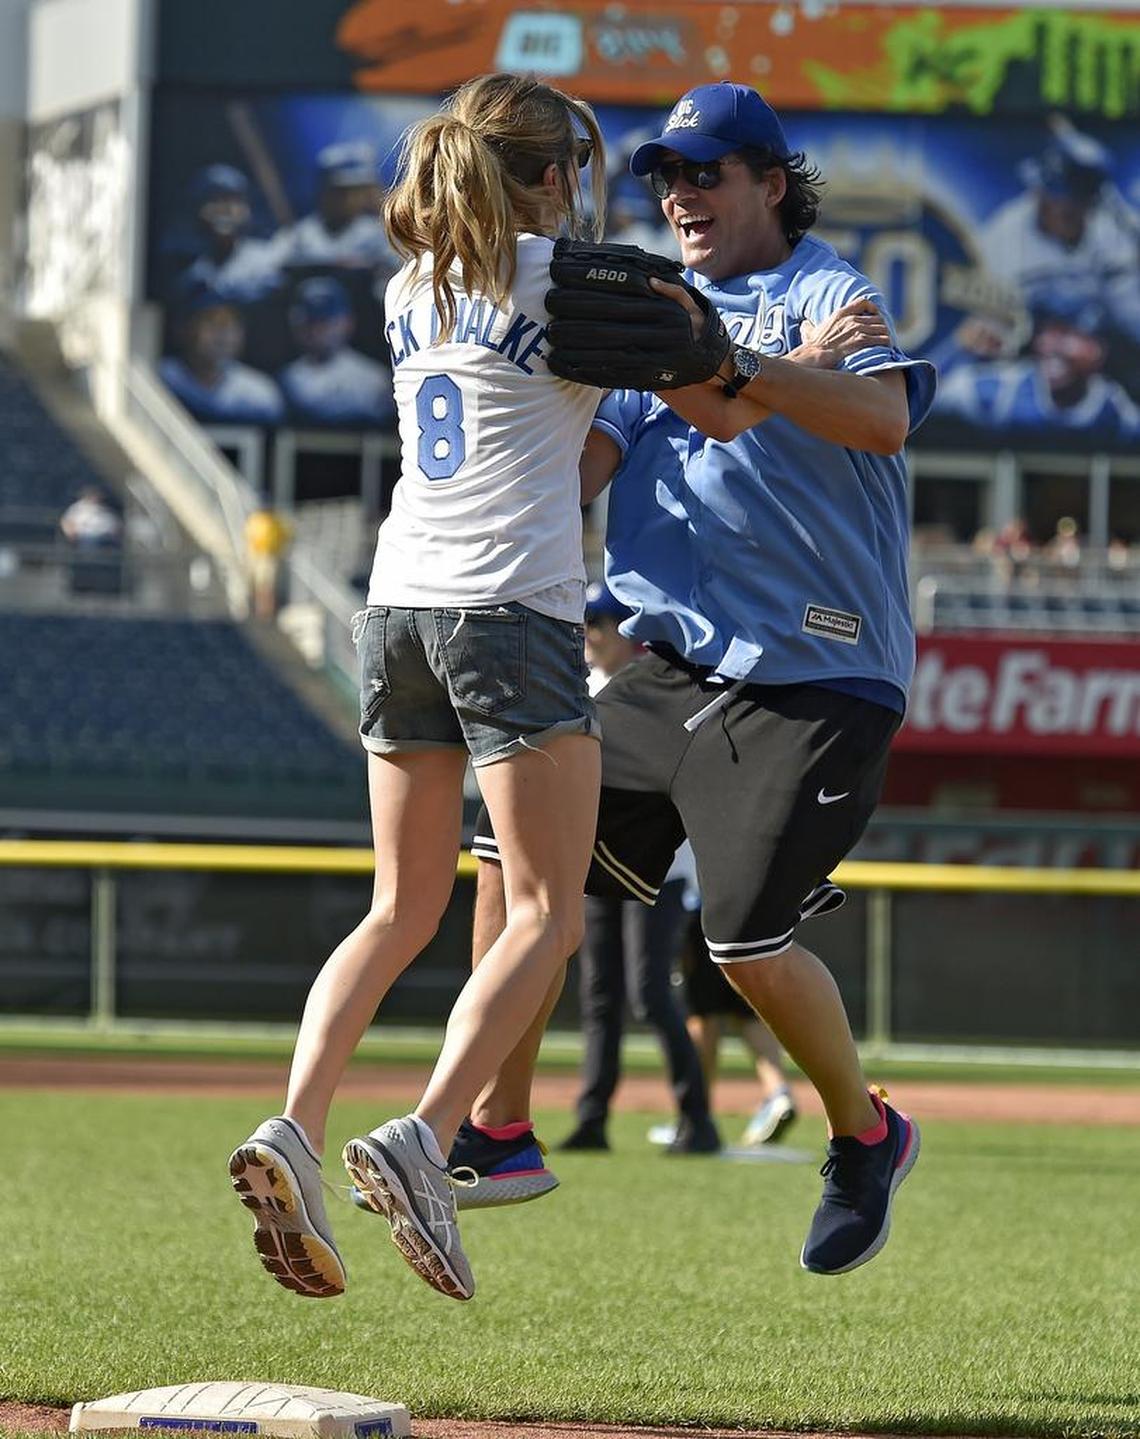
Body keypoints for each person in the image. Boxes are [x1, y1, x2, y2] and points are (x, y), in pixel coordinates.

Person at [461, 80, 936, 1277]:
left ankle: (866, 1135)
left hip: (820, 668)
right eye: (664, 177)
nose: (679, 195)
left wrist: (739, 363)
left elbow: (880, 421)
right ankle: (496, 1127)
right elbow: (581, 466)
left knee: (745, 945)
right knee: (512, 861)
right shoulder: (645, 310)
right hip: (666, 664)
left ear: (771, 183)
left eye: (706, 172)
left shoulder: (829, 291)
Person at [228, 72, 608, 1304]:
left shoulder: (411, 288)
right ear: (547, 179)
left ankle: (293, 1121)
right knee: (549, 909)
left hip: (393, 604)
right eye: (575, 172)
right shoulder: (565, 282)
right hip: (510, 610)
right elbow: (706, 377)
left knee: (400, 904)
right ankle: (430, 1136)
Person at [556, 582, 719, 1156]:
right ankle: (592, 1118)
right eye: (588, 622)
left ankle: (698, 1119)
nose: (592, 634)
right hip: (595, 862)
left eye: (602, 622)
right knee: (599, 996)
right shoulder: (580, 689)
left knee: (649, 995)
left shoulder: (654, 691)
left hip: (660, 868)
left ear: (631, 633)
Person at [646, 906, 800, 1149]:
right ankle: (778, 1093)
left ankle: (697, 1116)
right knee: (745, 1012)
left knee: (702, 1015)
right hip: (747, 911)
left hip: (703, 913)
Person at [159, 280, 284, 425]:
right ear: (183, 329)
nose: (223, 333)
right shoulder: (160, 378)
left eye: (231, 323)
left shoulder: (259, 393)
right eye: (210, 321)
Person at [278, 276, 395, 427]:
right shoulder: (287, 379)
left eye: (325, 321)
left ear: (347, 322)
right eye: (310, 321)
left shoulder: (374, 380)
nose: (317, 330)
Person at [171, 164, 285, 306]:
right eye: (214, 200)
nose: (224, 210)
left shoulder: (270, 261)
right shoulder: (192, 276)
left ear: (247, 209)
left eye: (233, 200)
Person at [278, 140, 398, 275]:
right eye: (339, 192)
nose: (348, 199)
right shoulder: (299, 237)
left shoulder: (380, 235)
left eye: (355, 192)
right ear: (323, 192)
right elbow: (270, 270)